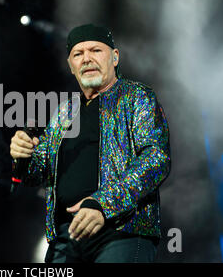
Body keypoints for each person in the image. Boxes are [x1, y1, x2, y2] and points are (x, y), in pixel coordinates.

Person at [10, 24, 171, 263]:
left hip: (121, 231)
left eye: (95, 50)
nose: (86, 59)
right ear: (70, 66)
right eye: (78, 54)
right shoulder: (64, 113)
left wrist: (102, 204)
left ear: (115, 58)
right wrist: (23, 155)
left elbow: (156, 159)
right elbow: (38, 173)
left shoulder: (136, 97)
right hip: (66, 239)